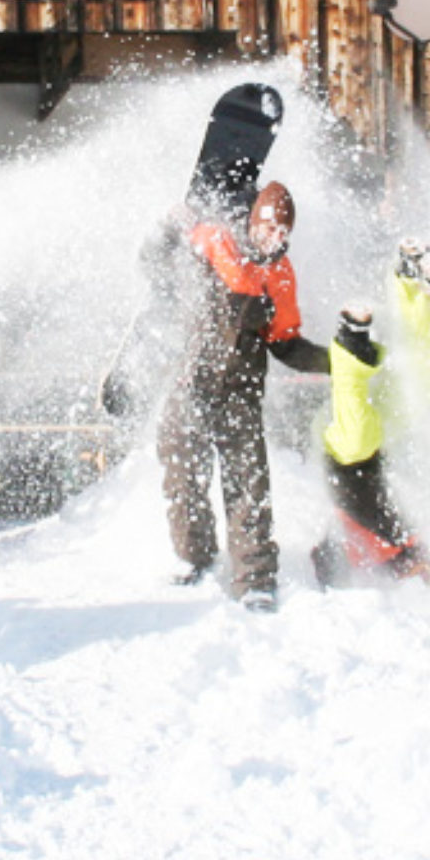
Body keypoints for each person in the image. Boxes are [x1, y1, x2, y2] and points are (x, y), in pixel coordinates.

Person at [153, 181, 329, 610]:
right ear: (254, 223)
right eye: (269, 227)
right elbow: (157, 264)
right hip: (190, 382)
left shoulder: (280, 276)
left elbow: (286, 343)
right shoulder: (216, 242)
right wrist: (167, 230)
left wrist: (337, 359)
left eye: (283, 232)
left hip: (240, 392)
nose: (275, 237)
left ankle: (254, 578)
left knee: (249, 487)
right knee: (182, 473)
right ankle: (192, 557)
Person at [310, 303, 430, 586]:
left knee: (424, 381)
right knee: (356, 436)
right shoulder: (393, 538)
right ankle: (353, 339)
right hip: (352, 459)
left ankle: (357, 338)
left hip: (356, 464)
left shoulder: (366, 534)